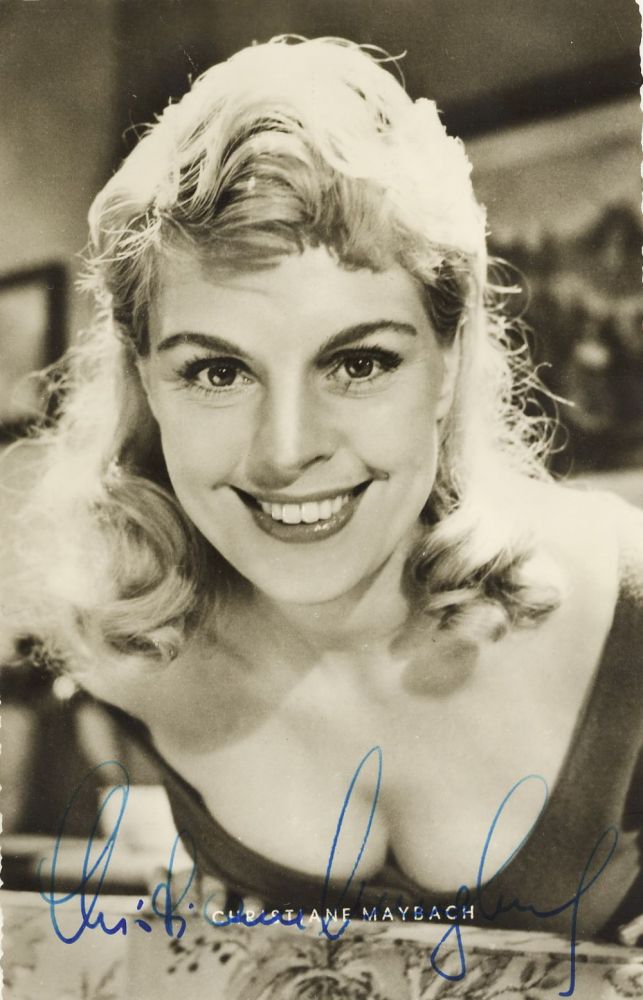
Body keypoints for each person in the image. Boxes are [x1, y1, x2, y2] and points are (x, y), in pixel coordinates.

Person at [4, 36, 641, 942]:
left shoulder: (625, 612)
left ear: (449, 361)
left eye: (359, 361)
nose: (286, 451)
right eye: (218, 372)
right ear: (147, 382)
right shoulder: (127, 659)